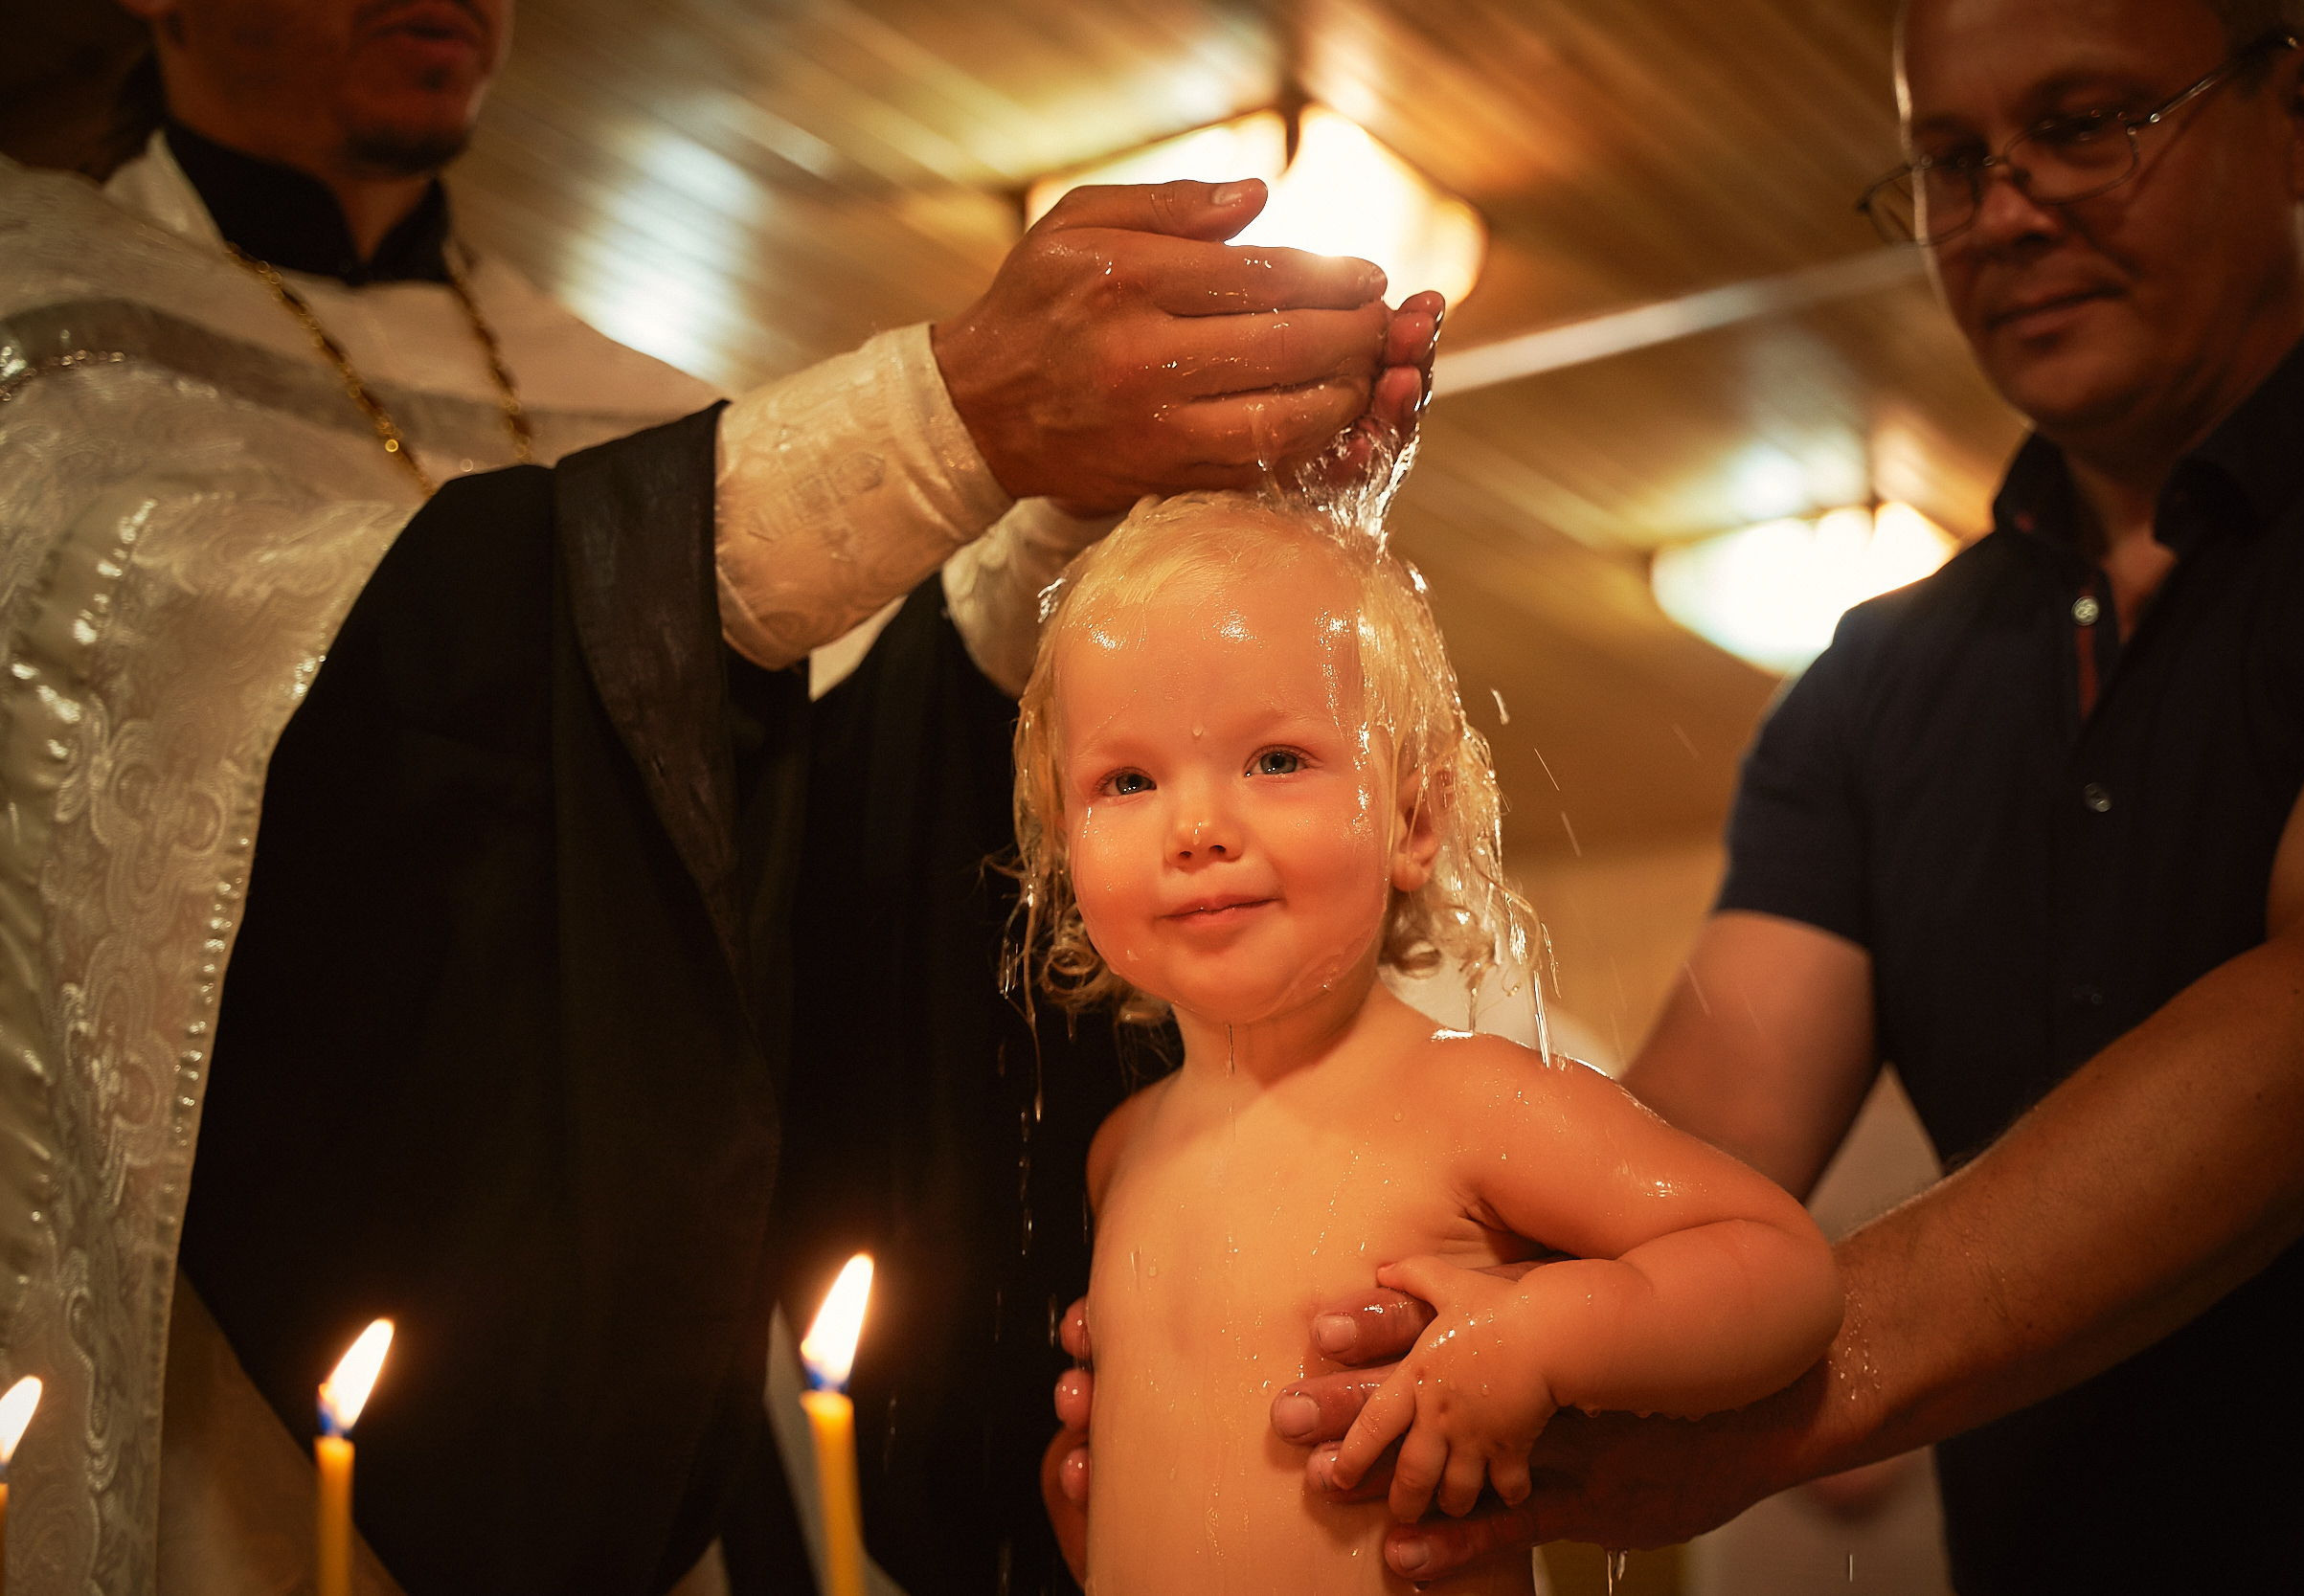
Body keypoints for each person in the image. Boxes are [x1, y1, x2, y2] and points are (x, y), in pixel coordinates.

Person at [0, 0, 1442, 1591]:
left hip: (656, 1426)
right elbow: (322, 753)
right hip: (238, 1417)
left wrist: (1055, 521)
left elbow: (815, 840)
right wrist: (941, 422)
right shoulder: (37, 321)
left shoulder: (611, 384)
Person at [1232, 0, 2304, 1588]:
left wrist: (1747, 1401)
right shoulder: (1871, 689)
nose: (2004, 209)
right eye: (1948, 158)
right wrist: (1302, 1337)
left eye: (2086, 124)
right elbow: (1681, 1145)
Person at [1016, 490, 1841, 1595]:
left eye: (1274, 760)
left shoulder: (1471, 1100)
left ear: (1411, 817)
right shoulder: (1122, 1148)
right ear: (1064, 844)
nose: (1195, 827)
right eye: (1126, 779)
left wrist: (1540, 1336)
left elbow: (1779, 1265)